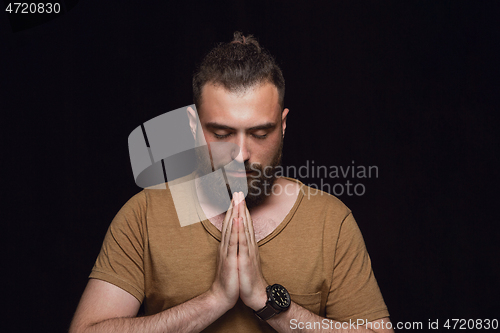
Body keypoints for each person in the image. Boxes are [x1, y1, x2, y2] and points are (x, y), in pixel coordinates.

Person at [69, 32, 394, 333]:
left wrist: (268, 303)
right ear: (194, 126)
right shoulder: (144, 215)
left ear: (282, 126)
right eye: (222, 134)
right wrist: (215, 300)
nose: (240, 154)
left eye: (260, 133)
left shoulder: (330, 221)